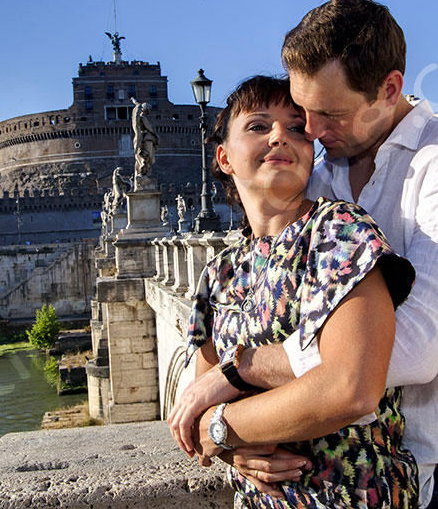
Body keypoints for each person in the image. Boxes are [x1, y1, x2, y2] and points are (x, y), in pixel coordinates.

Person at [169, 0, 438, 508]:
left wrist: (235, 391)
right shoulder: (322, 175)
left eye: (326, 114)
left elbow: (411, 349)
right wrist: (231, 442)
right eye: (302, 109)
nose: (307, 131)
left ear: (389, 89)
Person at [171, 75, 418, 508]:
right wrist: (231, 449)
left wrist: (226, 428)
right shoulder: (220, 274)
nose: (279, 136)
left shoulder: (338, 231)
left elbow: (351, 388)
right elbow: (197, 407)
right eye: (258, 126)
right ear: (224, 158)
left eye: (296, 127)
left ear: (311, 151)